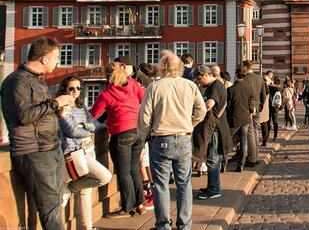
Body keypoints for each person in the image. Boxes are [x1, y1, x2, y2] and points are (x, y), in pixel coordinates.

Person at [1, 38, 74, 230]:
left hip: (51, 148)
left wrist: (57, 112)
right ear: (44, 58)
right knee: (50, 209)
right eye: (56, 58)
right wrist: (55, 103)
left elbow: (40, 114)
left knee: (55, 203)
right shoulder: (16, 82)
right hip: (34, 151)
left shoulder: (38, 81)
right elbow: (23, 116)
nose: (58, 62)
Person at [137, 50, 206, 230]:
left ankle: (163, 225)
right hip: (183, 138)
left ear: (162, 68)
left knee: (160, 185)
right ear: (180, 68)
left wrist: (145, 136)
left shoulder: (155, 86)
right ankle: (184, 225)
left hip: (160, 139)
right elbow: (202, 111)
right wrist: (190, 125)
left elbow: (144, 118)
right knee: (184, 184)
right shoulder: (190, 86)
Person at [90, 61, 146, 218]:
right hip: (137, 130)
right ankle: (140, 204)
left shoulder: (106, 94)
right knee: (134, 168)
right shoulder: (134, 84)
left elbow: (92, 115)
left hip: (121, 132)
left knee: (123, 172)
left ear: (107, 76)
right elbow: (144, 99)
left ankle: (127, 207)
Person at [57, 76, 112, 230]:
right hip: (74, 152)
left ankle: (86, 227)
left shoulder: (81, 107)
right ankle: (70, 188)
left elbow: (95, 124)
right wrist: (87, 129)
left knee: (86, 193)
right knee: (105, 176)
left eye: (78, 88)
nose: (75, 92)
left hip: (88, 150)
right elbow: (72, 131)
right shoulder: (62, 108)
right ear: (64, 90)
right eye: (71, 88)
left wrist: (85, 126)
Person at [191, 66, 232, 201]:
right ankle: (211, 186)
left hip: (215, 128)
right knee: (211, 158)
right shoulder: (214, 85)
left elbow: (209, 104)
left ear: (206, 75)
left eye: (199, 79)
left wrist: (197, 110)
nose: (198, 82)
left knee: (213, 159)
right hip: (214, 126)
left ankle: (214, 189)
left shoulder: (215, 87)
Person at [226, 64, 255, 172]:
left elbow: (228, 106)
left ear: (236, 75)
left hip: (234, 119)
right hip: (246, 118)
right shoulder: (249, 88)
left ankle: (224, 163)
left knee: (227, 140)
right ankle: (241, 165)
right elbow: (251, 104)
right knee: (244, 142)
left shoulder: (231, 89)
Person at [242, 60, 266, 168]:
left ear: (245, 67)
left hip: (248, 108)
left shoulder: (244, 78)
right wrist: (260, 106)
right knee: (256, 131)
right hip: (257, 107)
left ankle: (252, 158)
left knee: (250, 132)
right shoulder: (259, 78)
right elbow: (264, 94)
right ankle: (256, 156)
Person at [267, 76, 282, 141]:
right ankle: (275, 135)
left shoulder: (271, 87)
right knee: (275, 122)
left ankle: (267, 135)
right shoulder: (280, 88)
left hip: (270, 106)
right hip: (276, 107)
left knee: (268, 121)